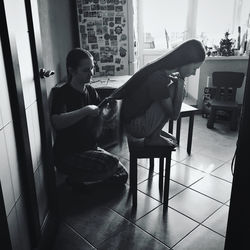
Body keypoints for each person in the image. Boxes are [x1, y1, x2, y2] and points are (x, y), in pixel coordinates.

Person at [50, 48, 128, 189]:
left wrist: (111, 112)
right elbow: (57, 122)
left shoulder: (91, 91)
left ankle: (83, 181)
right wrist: (85, 111)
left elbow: (100, 118)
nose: (91, 73)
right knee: (112, 163)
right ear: (72, 71)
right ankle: (79, 179)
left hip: (89, 148)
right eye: (86, 70)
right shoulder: (62, 93)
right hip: (69, 154)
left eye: (92, 68)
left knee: (122, 175)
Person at [111, 39, 206, 146]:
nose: (194, 73)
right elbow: (174, 115)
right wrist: (180, 84)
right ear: (186, 61)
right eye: (194, 68)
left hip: (135, 121)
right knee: (179, 89)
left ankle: (155, 134)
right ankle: (154, 137)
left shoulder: (161, 70)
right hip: (136, 127)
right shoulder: (158, 77)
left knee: (173, 91)